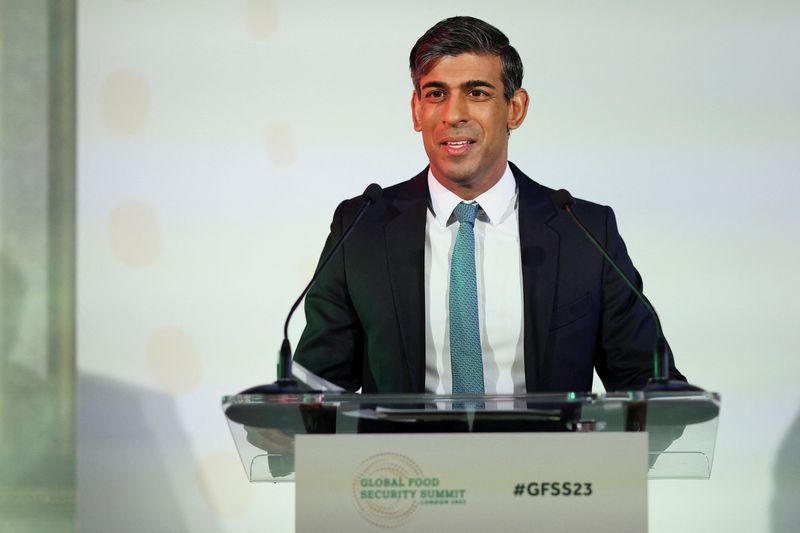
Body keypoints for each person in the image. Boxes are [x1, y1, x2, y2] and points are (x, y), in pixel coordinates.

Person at [293, 16, 685, 394]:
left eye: (477, 93)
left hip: (544, 462)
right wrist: (283, 421)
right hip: (407, 463)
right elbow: (317, 388)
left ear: (515, 108)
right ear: (417, 110)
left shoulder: (584, 232)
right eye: (436, 94)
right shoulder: (362, 227)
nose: (454, 115)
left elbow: (650, 385)